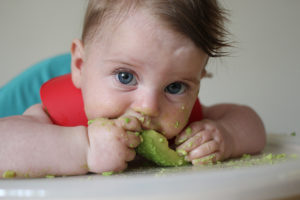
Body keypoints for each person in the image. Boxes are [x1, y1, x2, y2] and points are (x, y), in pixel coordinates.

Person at [0, 0, 266, 178]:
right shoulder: (55, 118)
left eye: (175, 87)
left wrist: (226, 136)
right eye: (126, 77)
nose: (148, 106)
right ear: (80, 66)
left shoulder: (186, 128)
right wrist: (84, 148)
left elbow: (251, 124)